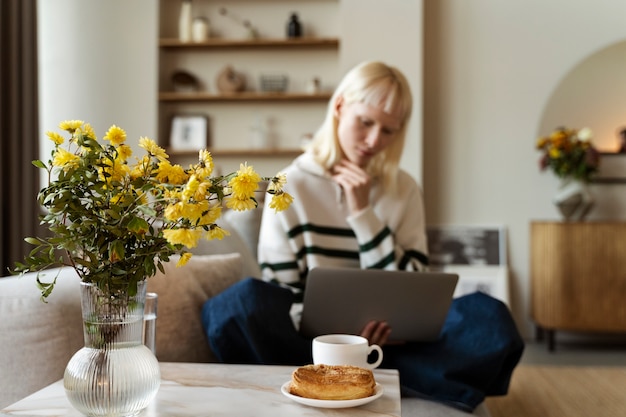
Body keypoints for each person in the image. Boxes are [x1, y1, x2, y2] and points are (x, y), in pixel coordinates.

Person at [201, 61, 524, 412]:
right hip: (311, 348)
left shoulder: (404, 190)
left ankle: (358, 380)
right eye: (365, 123)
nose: (374, 141)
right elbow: (282, 291)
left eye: (388, 131)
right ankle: (393, 382)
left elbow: (414, 286)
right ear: (339, 107)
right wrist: (342, 339)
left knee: (489, 317)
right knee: (237, 304)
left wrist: (363, 215)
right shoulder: (289, 184)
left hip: (395, 346)